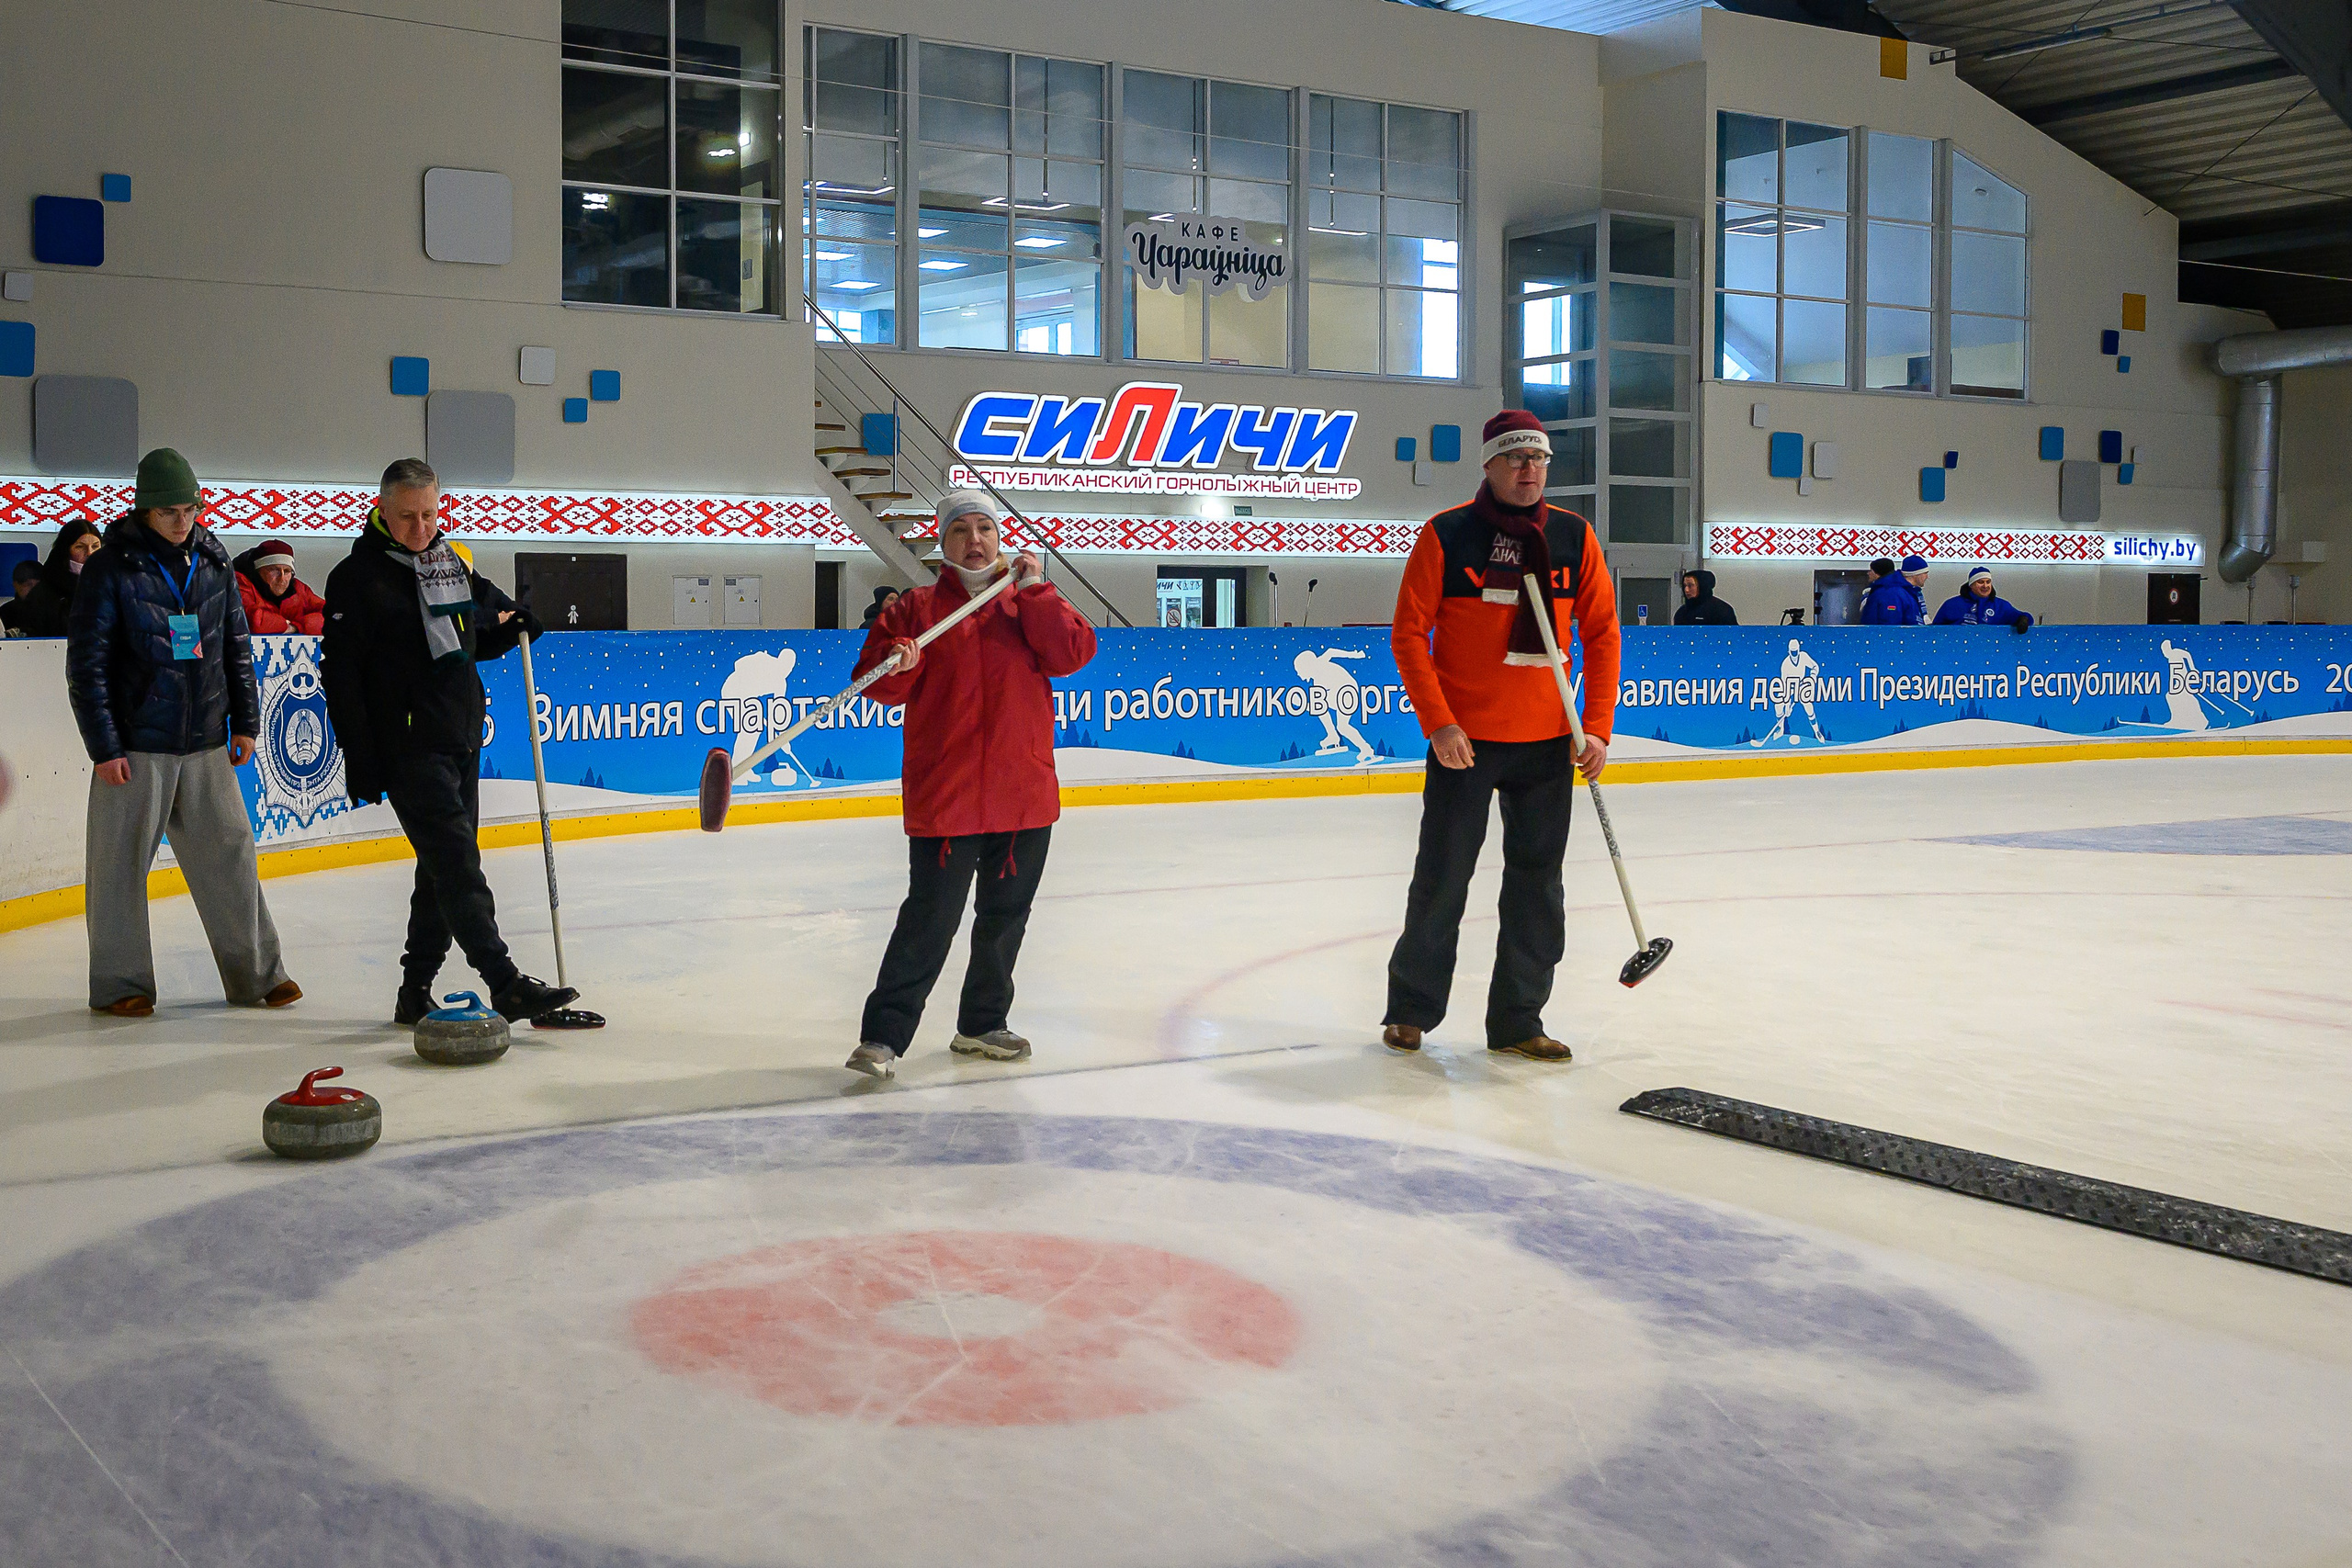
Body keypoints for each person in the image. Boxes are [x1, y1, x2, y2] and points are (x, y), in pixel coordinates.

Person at [1383, 410, 1621, 1064]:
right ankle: (1410, 1010)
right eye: (1517, 460)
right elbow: (1408, 635)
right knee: (1443, 879)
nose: (1530, 471)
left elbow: (1601, 635)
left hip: (1549, 740)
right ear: (1488, 464)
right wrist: (1440, 723)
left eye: (1540, 460)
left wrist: (1595, 726)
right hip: (1467, 744)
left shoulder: (1574, 538)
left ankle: (1519, 1018)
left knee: (1537, 887)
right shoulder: (1447, 535)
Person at [843, 490, 1096, 1077]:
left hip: (1022, 794)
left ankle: (983, 1024)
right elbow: (873, 682)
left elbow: (1071, 653)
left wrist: (1036, 591)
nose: (975, 540)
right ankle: (883, 1037)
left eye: (985, 528)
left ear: (1000, 537)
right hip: (947, 796)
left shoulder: (1025, 601)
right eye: (961, 531)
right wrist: (900, 666)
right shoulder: (915, 610)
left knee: (1005, 918)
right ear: (943, 541)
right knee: (929, 920)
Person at [322, 458, 576, 1025]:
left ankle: (415, 990)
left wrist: (512, 629)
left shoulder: (449, 564)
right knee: (457, 864)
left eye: (431, 514)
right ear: (381, 510)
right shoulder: (357, 578)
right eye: (408, 516)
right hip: (407, 746)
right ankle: (503, 981)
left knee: (439, 869)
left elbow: (468, 641)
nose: (421, 528)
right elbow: (340, 677)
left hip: (459, 737)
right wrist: (359, 759)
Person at [65, 449, 300, 1017]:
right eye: (168, 511)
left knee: (231, 854)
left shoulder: (216, 562)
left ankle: (258, 975)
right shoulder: (112, 568)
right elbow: (87, 665)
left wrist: (244, 721)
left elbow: (236, 650)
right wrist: (104, 746)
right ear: (144, 511)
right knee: (118, 865)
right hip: (137, 744)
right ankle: (123, 984)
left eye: (190, 508)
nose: (182, 520)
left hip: (205, 741)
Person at [6, 519, 102, 637]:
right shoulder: (45, 592)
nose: (89, 553)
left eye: (95, 546)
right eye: (80, 547)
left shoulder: (111, 584)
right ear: (65, 551)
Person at [233, 538, 327, 635]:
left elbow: (330, 616)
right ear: (258, 571)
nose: (282, 578)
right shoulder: (239, 584)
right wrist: (285, 625)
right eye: (275, 570)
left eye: (287, 571)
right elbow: (254, 622)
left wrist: (295, 626)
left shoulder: (299, 589)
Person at [1933, 565, 2033, 629]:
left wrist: (2024, 619)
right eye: (1980, 582)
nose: (1985, 586)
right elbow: (1935, 630)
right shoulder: (1952, 605)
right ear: (1971, 585)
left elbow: (2022, 617)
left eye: (1988, 582)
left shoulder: (2001, 606)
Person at [1860, 553, 1928, 625]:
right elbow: (1890, 626)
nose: (1927, 577)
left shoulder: (1908, 592)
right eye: (1925, 573)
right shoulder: (1892, 593)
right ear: (1916, 574)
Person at [1673, 570, 1737, 626]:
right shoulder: (1682, 612)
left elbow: (1732, 635)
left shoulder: (1722, 610)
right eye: (1685, 586)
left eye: (1690, 586)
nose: (1686, 590)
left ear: (1702, 586)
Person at [1, 558, 39, 635]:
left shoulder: (51, 611)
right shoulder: (5, 612)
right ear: (16, 585)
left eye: (38, 585)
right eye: (28, 585)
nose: (34, 590)